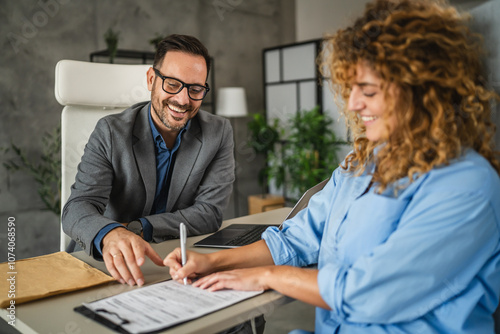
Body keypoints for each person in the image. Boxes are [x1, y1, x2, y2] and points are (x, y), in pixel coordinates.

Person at [165, 0, 500, 333]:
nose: (353, 103)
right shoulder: (360, 168)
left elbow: (370, 292)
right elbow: (296, 239)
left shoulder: (467, 185)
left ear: (421, 91)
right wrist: (212, 261)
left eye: (367, 91)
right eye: (352, 89)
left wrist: (266, 275)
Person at [62, 34, 235, 287]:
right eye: (173, 84)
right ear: (152, 80)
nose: (183, 100)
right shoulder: (111, 132)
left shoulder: (218, 132)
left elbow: (209, 213)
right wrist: (111, 233)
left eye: (195, 89)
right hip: (107, 263)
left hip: (175, 260)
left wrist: (137, 227)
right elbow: (77, 208)